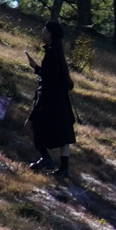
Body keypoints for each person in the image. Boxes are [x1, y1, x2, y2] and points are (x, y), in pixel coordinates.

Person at [25, 21, 76, 176]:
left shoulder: (52, 53)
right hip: (61, 98)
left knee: (29, 126)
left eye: (45, 30)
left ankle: (45, 158)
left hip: (48, 98)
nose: (43, 33)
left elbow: (50, 77)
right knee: (64, 132)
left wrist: (35, 67)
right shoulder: (58, 52)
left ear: (50, 34)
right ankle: (64, 169)